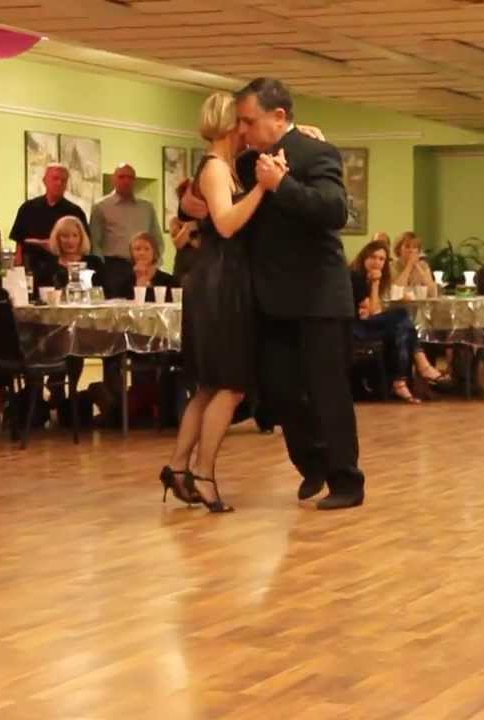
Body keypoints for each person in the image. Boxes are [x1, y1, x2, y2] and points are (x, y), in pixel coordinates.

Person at [238, 78, 363, 510]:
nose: (244, 131)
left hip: (319, 295)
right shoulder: (244, 164)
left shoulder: (316, 152)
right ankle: (313, 463)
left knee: (328, 390)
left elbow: (334, 211)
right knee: (279, 388)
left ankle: (346, 481)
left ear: (278, 117)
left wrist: (282, 186)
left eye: (249, 122)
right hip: (273, 297)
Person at [160, 91, 268, 514]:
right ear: (228, 124)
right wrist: (263, 188)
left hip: (219, 279)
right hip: (220, 283)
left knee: (208, 386)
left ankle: (177, 467)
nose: (246, 128)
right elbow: (225, 224)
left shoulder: (221, 168)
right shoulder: (218, 169)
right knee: (231, 384)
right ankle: (204, 473)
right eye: (241, 121)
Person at [349, 241, 442, 402]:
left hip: (367, 323)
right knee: (401, 316)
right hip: (354, 327)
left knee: (402, 328)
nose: (377, 262)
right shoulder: (355, 276)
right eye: (373, 257)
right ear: (364, 257)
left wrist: (373, 290)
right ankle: (419, 367)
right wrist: (375, 284)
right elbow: (374, 311)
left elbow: (373, 311)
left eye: (381, 259)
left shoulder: (370, 277)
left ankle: (400, 382)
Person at [10, 163, 88, 291]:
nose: (59, 183)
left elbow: (81, 246)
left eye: (63, 180)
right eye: (55, 178)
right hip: (31, 267)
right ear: (45, 181)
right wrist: (18, 271)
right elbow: (19, 242)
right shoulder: (28, 208)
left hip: (60, 270)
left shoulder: (75, 211)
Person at [89, 163, 162, 295]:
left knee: (145, 303)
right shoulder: (101, 207)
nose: (126, 181)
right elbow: (95, 241)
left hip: (144, 266)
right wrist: (102, 268)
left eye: (130, 177)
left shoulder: (146, 207)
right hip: (114, 267)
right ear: (114, 179)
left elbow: (156, 239)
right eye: (121, 177)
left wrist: (156, 264)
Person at [50, 215, 105, 289]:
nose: (70, 241)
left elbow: (105, 293)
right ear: (57, 239)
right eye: (65, 236)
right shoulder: (48, 267)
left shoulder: (94, 263)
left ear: (81, 238)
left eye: (75, 236)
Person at [391, 231, 438, 297]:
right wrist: (409, 266)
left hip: (420, 305)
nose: (411, 250)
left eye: (415, 247)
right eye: (407, 247)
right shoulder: (392, 266)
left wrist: (417, 266)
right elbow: (396, 292)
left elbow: (433, 293)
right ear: (399, 249)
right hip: (399, 305)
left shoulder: (423, 266)